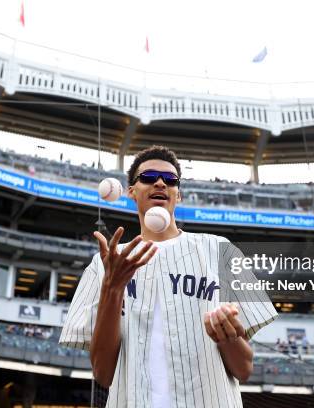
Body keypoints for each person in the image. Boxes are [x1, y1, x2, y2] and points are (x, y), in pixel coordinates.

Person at [60, 146, 278, 408]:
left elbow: (243, 369)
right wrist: (112, 290)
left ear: (178, 194)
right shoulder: (104, 264)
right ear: (131, 191)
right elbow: (104, 373)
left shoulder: (221, 251)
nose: (160, 182)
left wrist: (228, 337)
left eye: (170, 180)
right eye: (148, 177)